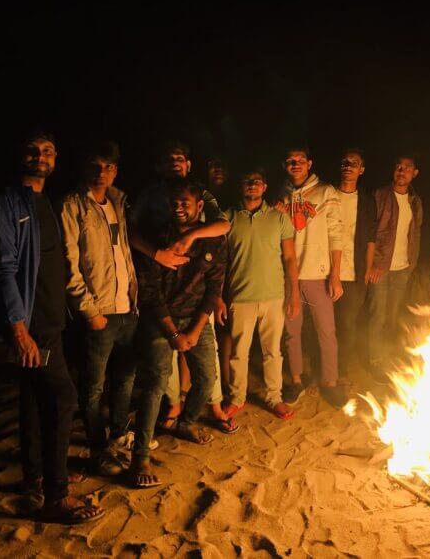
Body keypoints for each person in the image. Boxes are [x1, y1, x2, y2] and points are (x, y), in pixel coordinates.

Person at [0, 132, 104, 523]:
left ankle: (34, 479)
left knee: (34, 400)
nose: (41, 156)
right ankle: (57, 496)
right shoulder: (9, 202)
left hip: (52, 321)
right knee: (63, 398)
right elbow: (5, 268)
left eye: (48, 151)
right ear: (20, 155)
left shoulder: (46, 203)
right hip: (33, 323)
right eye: (33, 150)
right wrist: (19, 330)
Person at [129, 181, 228, 488]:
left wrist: (196, 330)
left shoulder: (212, 239)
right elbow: (150, 291)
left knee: (207, 378)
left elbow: (214, 288)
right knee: (155, 384)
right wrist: (173, 334)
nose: (179, 207)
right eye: (175, 202)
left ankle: (186, 423)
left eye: (185, 202)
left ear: (199, 206)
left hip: (196, 318)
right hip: (162, 320)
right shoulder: (158, 238)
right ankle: (141, 455)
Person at [60, 141, 139, 476]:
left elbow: (124, 253)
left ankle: (119, 436)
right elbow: (69, 262)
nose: (101, 172)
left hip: (127, 308)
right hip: (99, 311)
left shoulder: (118, 202)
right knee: (93, 387)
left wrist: (134, 301)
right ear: (84, 167)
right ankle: (97, 449)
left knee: (124, 379)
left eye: (108, 166)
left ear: (115, 171)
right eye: (95, 165)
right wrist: (88, 309)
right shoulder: (73, 206)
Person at [215, 169, 300, 420]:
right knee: (239, 354)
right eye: (247, 181)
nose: (252, 185)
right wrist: (218, 297)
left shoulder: (279, 218)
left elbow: (290, 258)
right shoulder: (227, 218)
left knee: (273, 352)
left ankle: (274, 397)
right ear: (241, 186)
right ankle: (237, 398)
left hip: (274, 296)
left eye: (257, 182)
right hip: (241, 296)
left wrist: (294, 294)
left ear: (264, 187)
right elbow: (220, 261)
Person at [278, 146, 347, 408]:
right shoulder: (281, 195)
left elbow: (336, 234)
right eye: (290, 161)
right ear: (285, 166)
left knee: (326, 332)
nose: (295, 164)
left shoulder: (325, 192)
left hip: (318, 275)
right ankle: (296, 379)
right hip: (289, 276)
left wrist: (335, 275)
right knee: (292, 332)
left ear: (309, 163)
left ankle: (330, 381)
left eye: (300, 160)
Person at [367, 154, 423, 373]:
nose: (402, 171)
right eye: (398, 167)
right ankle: (374, 360)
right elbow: (371, 231)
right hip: (381, 268)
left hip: (403, 269)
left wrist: (412, 263)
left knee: (392, 316)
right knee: (377, 315)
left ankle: (386, 356)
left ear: (414, 173)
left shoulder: (415, 201)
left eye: (407, 168)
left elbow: (416, 233)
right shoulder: (380, 195)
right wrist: (373, 263)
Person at [334, 149, 376, 376]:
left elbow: (370, 239)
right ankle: (323, 370)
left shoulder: (366, 201)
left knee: (347, 326)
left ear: (362, 170)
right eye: (345, 162)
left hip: (354, 274)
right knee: (324, 326)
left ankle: (341, 372)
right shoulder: (328, 195)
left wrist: (367, 271)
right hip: (326, 272)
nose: (349, 166)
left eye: (354, 163)